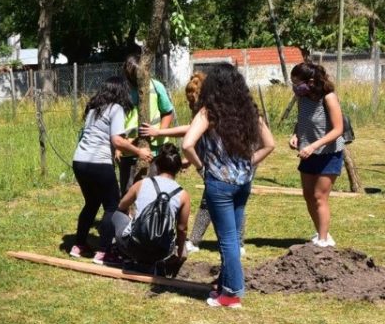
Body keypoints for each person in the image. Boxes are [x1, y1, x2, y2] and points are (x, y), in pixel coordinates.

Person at [182, 64, 276, 308]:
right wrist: (248, 163)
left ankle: (232, 294)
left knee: (228, 240)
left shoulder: (207, 112)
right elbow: (269, 145)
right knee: (232, 236)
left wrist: (202, 168)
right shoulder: (249, 112)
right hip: (243, 183)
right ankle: (224, 284)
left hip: (219, 184)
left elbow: (187, 145)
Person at [140, 72, 247, 257]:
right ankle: (228, 242)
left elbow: (190, 133)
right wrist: (190, 159)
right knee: (215, 201)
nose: (191, 103)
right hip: (218, 161)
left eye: (193, 99)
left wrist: (158, 132)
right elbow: (201, 139)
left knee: (218, 201)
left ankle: (229, 242)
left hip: (226, 162)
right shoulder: (206, 108)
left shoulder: (210, 108)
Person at [70, 76, 152, 265]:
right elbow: (117, 140)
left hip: (80, 161)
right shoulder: (115, 108)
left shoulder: (94, 108)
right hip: (98, 163)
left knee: (91, 203)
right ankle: (104, 251)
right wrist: (139, 151)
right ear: (120, 91)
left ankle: (79, 245)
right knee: (112, 206)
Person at [289, 61, 345, 248]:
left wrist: (314, 146)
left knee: (319, 196)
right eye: (293, 83)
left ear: (311, 81)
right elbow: (302, 120)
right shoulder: (302, 97)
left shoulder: (328, 97)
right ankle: (322, 232)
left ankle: (323, 241)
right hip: (307, 152)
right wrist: (295, 135)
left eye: (298, 83)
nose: (295, 87)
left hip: (328, 153)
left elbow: (338, 129)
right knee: (308, 195)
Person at [106, 144, 192, 265]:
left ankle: (114, 249)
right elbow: (182, 228)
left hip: (132, 247)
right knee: (180, 243)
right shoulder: (183, 195)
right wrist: (179, 250)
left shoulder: (142, 183)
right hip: (161, 252)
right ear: (178, 169)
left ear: (157, 166)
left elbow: (122, 206)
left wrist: (131, 215)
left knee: (117, 214)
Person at [120, 55, 176, 191]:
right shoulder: (123, 90)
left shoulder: (156, 87)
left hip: (155, 151)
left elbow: (168, 112)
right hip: (129, 151)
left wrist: (158, 132)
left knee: (155, 189)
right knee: (129, 191)